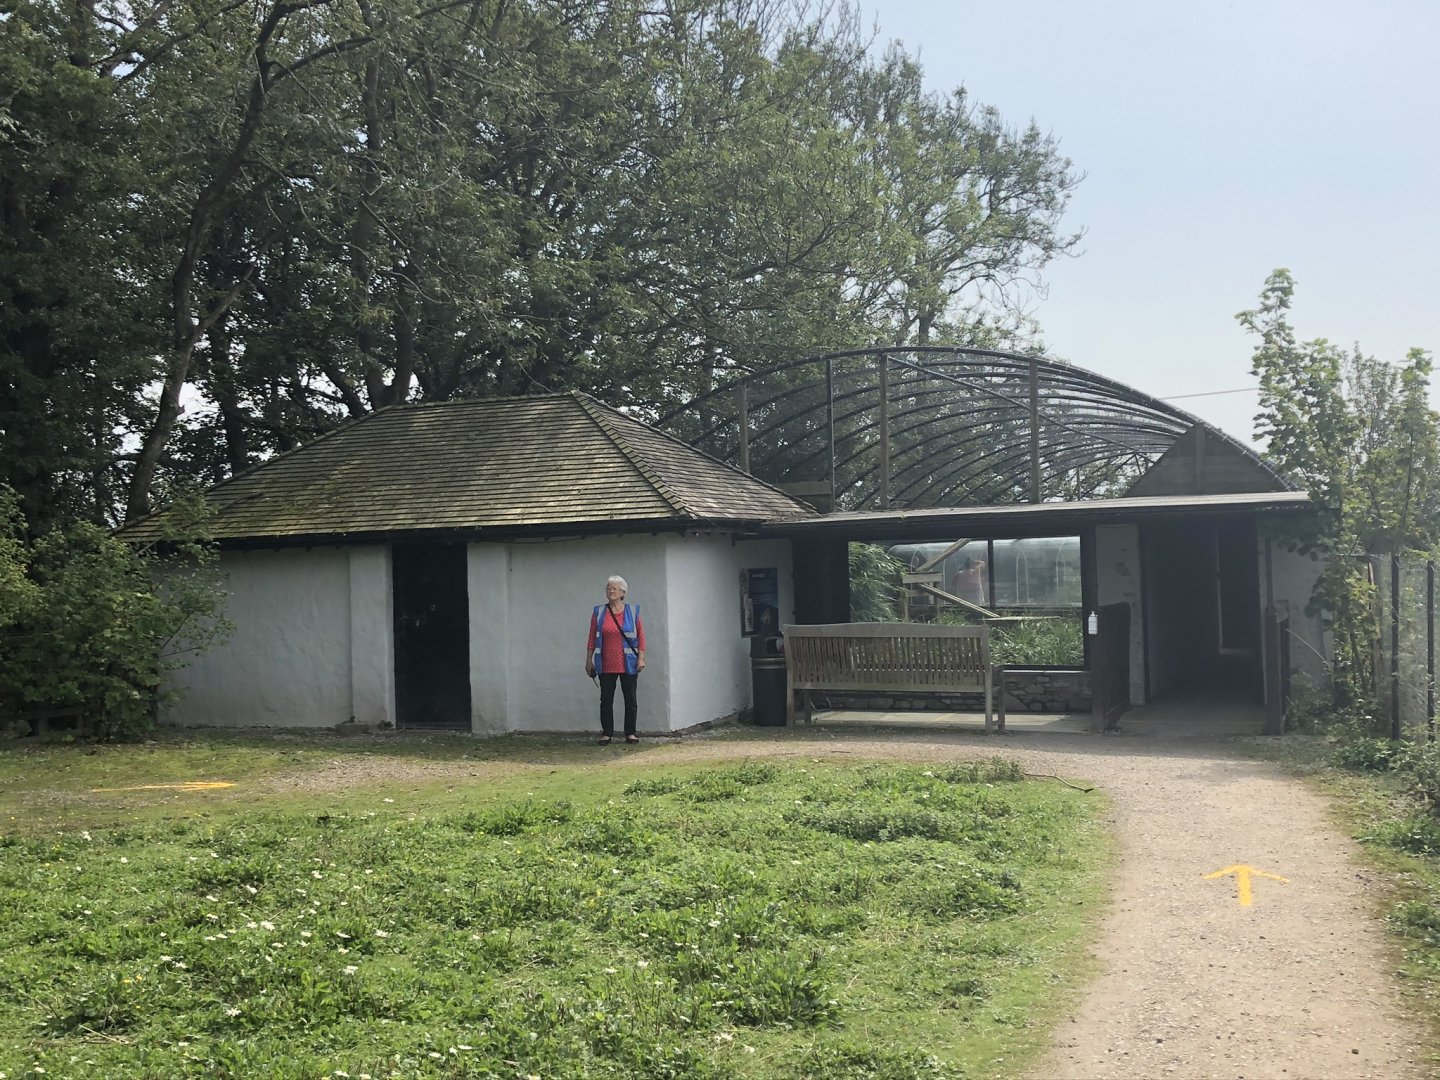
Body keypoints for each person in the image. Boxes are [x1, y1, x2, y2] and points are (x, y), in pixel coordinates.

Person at [585, 574, 646, 745]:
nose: (611, 591)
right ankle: (607, 733)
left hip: (629, 662)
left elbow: (641, 637)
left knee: (630, 699)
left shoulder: (633, 611)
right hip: (606, 662)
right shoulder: (599, 612)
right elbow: (591, 638)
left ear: (623, 592)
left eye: (614, 588)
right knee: (606, 699)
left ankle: (630, 733)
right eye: (608, 588)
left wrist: (641, 658)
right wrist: (589, 660)